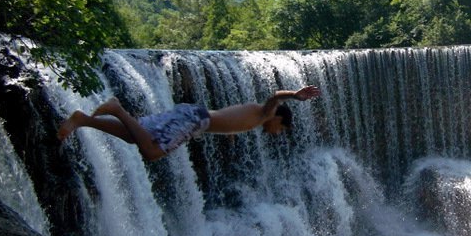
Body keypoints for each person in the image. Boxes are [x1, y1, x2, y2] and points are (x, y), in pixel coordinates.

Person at [57, 85, 321, 162]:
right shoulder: (267, 112)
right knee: (151, 152)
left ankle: (83, 120)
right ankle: (116, 109)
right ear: (279, 118)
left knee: (132, 136)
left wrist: (229, 133)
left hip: (193, 115)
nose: (277, 133)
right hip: (195, 120)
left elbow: (229, 119)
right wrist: (295, 96)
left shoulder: (254, 118)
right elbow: (275, 96)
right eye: (282, 129)